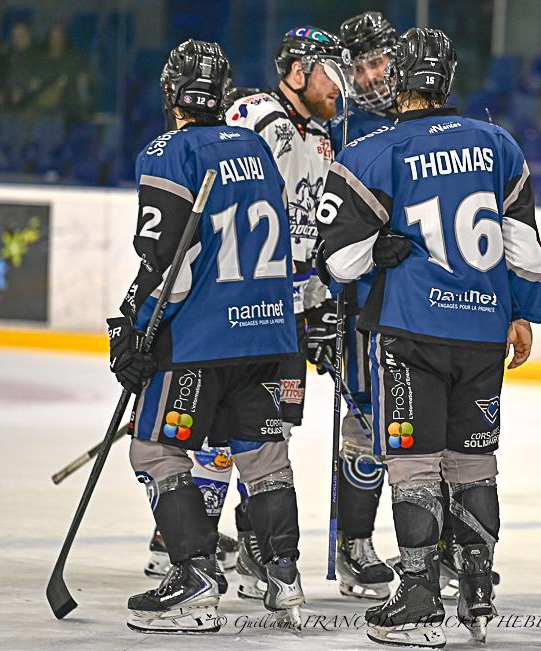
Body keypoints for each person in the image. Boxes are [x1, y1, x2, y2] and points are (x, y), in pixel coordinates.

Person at [317, 27, 541, 647]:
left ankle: (418, 595)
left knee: (415, 462)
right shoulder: (498, 143)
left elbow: (338, 261)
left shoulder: (374, 151)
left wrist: (375, 252)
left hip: (411, 331)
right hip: (483, 333)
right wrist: (521, 313)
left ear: (400, 80)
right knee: (474, 461)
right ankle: (476, 588)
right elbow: (525, 247)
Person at [109, 39, 302, 633]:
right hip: (269, 332)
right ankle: (283, 576)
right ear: (223, 94)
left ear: (170, 94)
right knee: (263, 455)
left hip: (201, 336)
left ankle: (193, 578)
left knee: (154, 448)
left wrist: (133, 326)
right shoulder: (256, 147)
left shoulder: (167, 151)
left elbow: (167, 261)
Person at [225, 25, 346, 601]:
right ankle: (179, 539)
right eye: (329, 72)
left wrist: (322, 302)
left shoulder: (322, 135)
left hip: (292, 310)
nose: (340, 85)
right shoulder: (252, 116)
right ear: (297, 72)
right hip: (244, 304)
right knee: (223, 426)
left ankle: (254, 544)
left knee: (271, 430)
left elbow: (316, 232)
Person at [320, 10, 400, 601]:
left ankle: (437, 546)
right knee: (368, 418)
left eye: (380, 62)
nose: (372, 77)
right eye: (361, 68)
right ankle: (356, 543)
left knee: (438, 423)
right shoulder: (338, 134)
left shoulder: (431, 113)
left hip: (431, 301)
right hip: (365, 301)